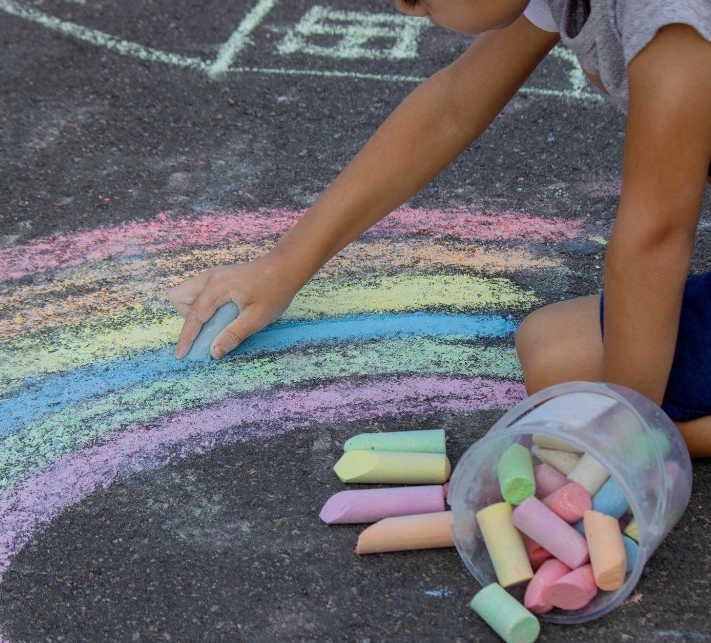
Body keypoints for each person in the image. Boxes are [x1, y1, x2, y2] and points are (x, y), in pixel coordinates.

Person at [168, 0, 711, 456]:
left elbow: (655, 236)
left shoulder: (671, 19)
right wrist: (285, 264)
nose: (405, 3)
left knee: (574, 393)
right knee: (555, 352)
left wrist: (620, 446)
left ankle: (643, 443)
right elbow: (451, 107)